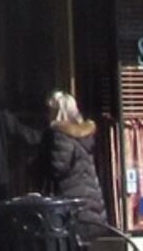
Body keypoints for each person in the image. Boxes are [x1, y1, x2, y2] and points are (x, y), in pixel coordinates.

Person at [39, 90, 111, 230]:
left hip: (72, 206)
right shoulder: (85, 134)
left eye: (50, 111)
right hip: (92, 203)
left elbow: (57, 168)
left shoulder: (59, 135)